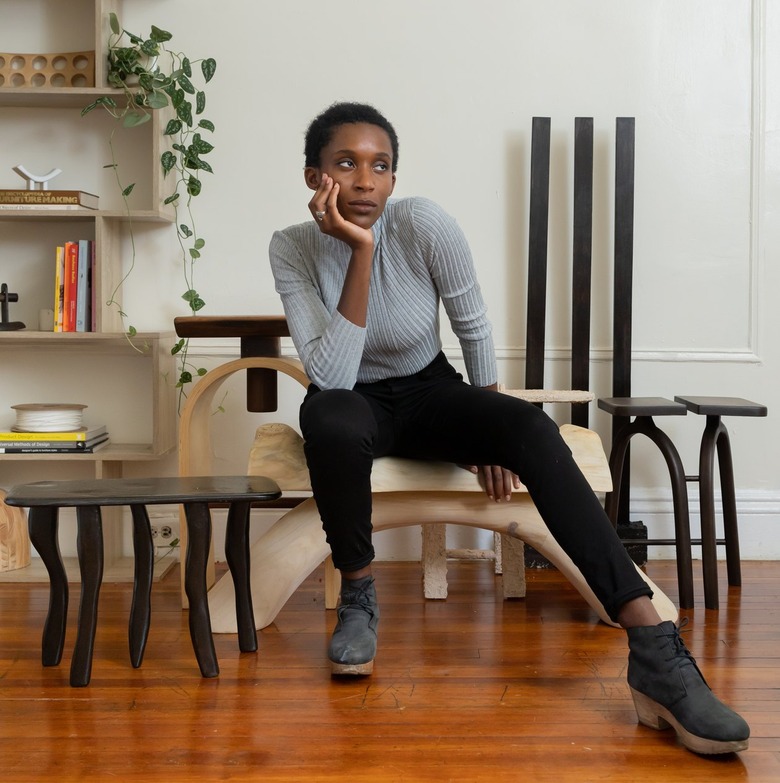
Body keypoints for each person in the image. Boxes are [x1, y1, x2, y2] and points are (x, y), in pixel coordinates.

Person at [269, 101, 749, 755]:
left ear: (393, 178)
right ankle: (359, 595)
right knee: (328, 418)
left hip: (431, 388)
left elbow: (473, 324)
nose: (364, 181)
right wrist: (359, 252)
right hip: (351, 400)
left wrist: (486, 429)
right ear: (312, 176)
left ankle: (653, 646)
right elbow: (330, 372)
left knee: (525, 424)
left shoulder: (424, 223)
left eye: (380, 166)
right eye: (345, 163)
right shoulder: (291, 247)